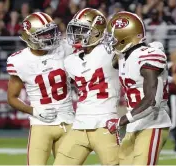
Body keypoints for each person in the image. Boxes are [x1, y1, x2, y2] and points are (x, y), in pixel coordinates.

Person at [53, 8, 120, 165]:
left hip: (105, 124)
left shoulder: (110, 52)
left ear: (97, 31)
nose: (77, 34)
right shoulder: (71, 61)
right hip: (80, 124)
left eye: (82, 30)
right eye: (76, 30)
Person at [6, 12, 74, 165]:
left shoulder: (63, 48)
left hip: (68, 120)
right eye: (44, 34)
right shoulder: (19, 61)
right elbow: (11, 98)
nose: (51, 37)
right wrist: (33, 111)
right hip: (41, 124)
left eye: (51, 31)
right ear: (30, 37)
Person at [104, 11, 171, 165]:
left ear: (125, 38)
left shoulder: (147, 57)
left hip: (153, 123)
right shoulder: (123, 57)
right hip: (135, 123)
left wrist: (121, 120)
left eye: (114, 38)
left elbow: (151, 101)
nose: (111, 42)